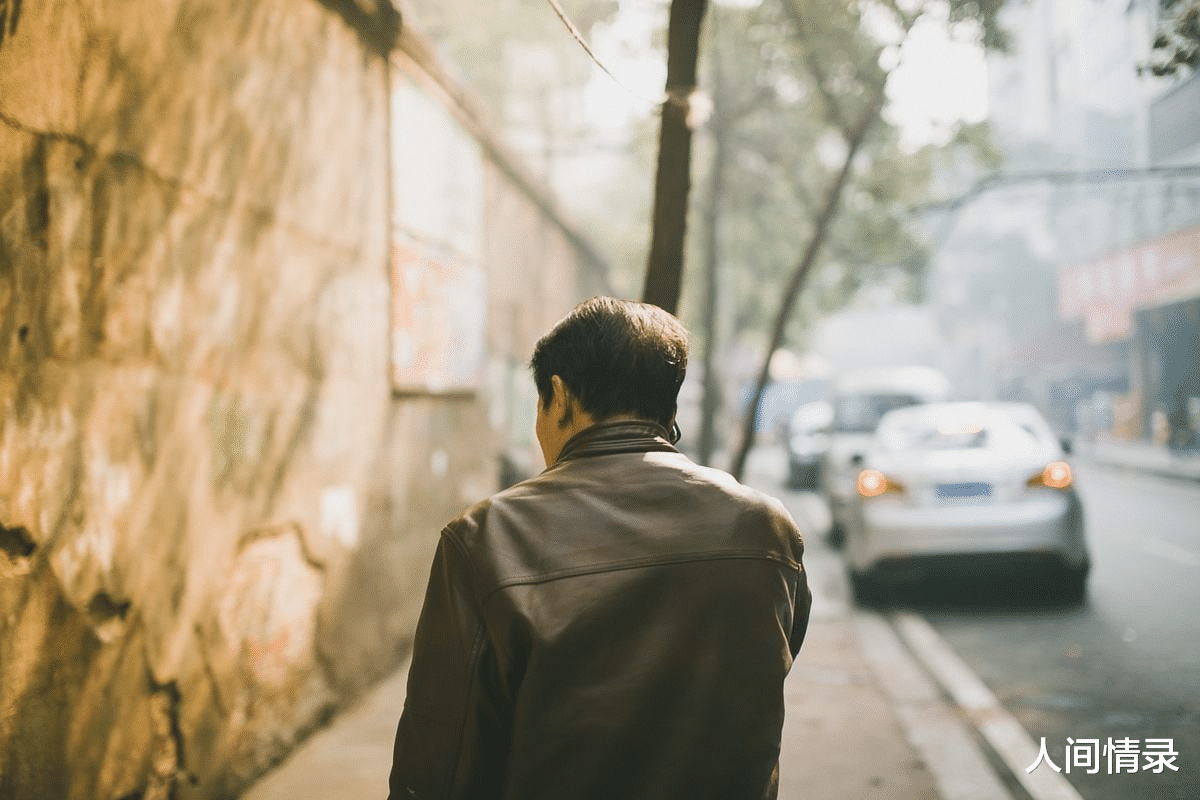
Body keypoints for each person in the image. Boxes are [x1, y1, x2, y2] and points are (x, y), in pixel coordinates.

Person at [388, 297, 811, 800]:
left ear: (560, 397)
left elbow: (441, 762)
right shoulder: (766, 529)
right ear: (668, 406)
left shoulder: (488, 538)